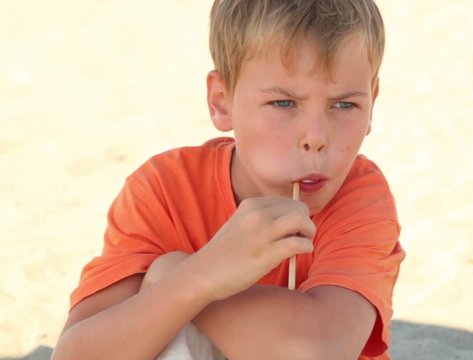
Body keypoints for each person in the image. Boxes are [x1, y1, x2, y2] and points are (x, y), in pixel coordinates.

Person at [52, 0, 405, 359]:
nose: (316, 137)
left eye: (344, 105)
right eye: (283, 104)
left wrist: (175, 274)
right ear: (222, 101)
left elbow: (317, 352)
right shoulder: (165, 190)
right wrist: (201, 275)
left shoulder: (359, 197)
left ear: (372, 103)